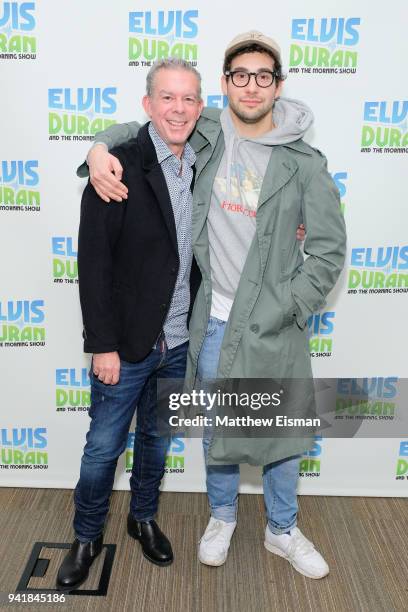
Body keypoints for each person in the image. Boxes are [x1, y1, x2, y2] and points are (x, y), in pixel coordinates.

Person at [81, 31, 346, 580]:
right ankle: (221, 517)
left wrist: (288, 305)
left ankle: (282, 528)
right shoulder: (206, 133)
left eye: (264, 76)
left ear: (277, 86)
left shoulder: (305, 163)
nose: (252, 86)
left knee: (283, 432)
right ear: (225, 86)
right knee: (220, 431)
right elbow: (142, 127)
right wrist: (97, 148)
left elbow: (328, 251)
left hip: (273, 324)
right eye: (241, 76)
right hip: (211, 319)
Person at [56, 58, 204, 591]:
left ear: (200, 108)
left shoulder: (204, 162)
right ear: (148, 104)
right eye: (168, 97)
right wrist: (103, 346)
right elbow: (92, 265)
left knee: (159, 440)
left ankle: (142, 518)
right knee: (102, 448)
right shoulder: (115, 164)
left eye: (188, 99)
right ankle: (87, 536)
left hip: (180, 340)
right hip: (126, 346)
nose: (178, 108)